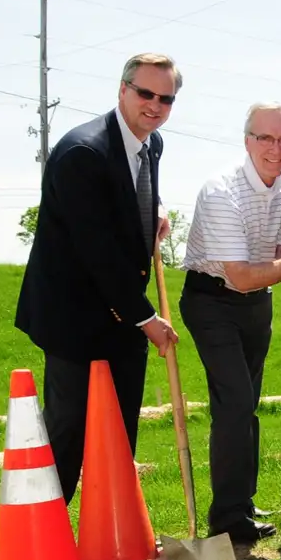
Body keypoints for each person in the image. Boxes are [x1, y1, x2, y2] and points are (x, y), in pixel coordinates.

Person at [15, 53, 180, 501]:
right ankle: (46, 543)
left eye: (165, 98)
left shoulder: (153, 143)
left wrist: (155, 210)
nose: (154, 105)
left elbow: (129, 193)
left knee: (119, 433)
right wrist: (145, 319)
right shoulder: (82, 153)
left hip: (120, 313)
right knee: (67, 433)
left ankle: (110, 542)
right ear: (122, 89)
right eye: (145, 93)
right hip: (72, 317)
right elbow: (96, 252)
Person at [179, 103, 281, 543]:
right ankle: (226, 517)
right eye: (265, 138)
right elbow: (242, 273)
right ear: (247, 141)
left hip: (254, 304)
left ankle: (241, 503)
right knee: (235, 403)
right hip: (212, 300)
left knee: (248, 406)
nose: (276, 148)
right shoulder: (220, 191)